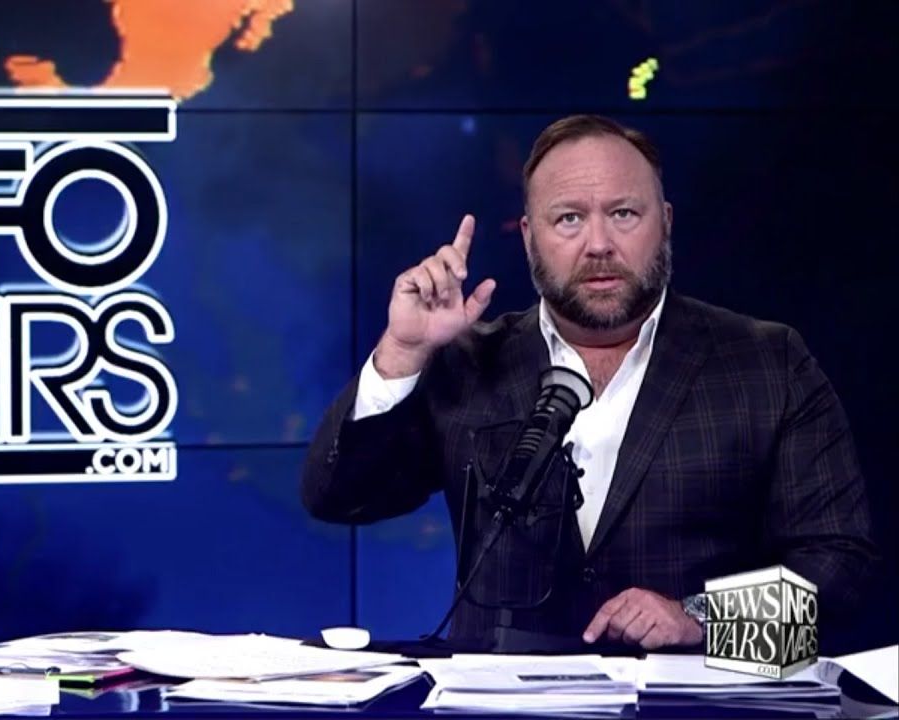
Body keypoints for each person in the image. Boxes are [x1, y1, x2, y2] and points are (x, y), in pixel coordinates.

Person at [301, 115, 877, 654]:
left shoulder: (767, 362)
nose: (599, 244)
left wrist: (700, 619)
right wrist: (402, 351)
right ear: (530, 237)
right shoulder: (471, 363)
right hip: (505, 708)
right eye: (569, 219)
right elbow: (338, 498)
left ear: (666, 223)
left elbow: (843, 574)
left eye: (623, 213)